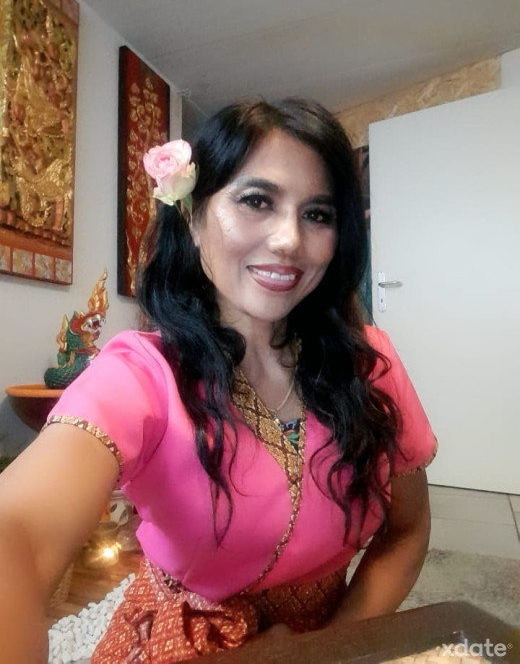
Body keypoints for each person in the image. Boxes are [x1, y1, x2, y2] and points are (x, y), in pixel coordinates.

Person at [0, 98, 437, 663]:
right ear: (192, 215)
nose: (289, 239)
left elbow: (407, 531)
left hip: (334, 640)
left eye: (317, 214)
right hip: (180, 645)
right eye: (257, 201)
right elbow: (16, 534)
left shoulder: (368, 362)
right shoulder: (142, 373)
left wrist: (330, 650)